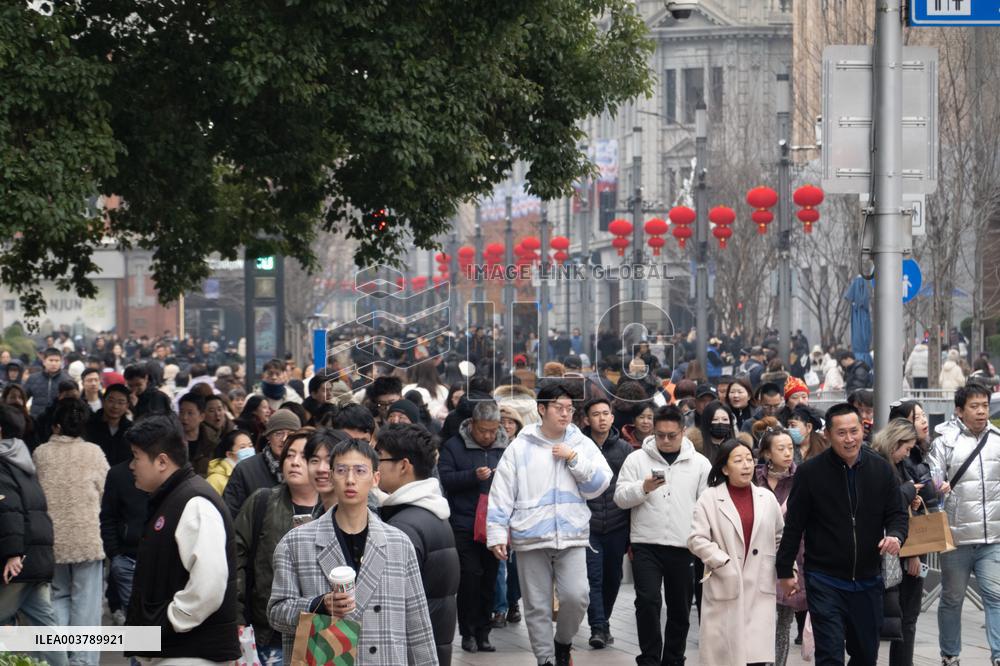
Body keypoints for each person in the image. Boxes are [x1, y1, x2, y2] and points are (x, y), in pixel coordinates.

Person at [267, 437, 439, 664]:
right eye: (341, 470)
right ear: (330, 476)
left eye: (360, 471)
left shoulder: (399, 543)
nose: (350, 480)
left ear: (375, 478)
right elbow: (276, 613)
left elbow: (418, 625)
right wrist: (317, 605)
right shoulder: (296, 542)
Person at [487, 383, 612, 666]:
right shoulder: (520, 447)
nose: (565, 414)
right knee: (537, 606)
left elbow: (600, 485)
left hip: (572, 534)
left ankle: (563, 642)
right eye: (559, 408)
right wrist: (497, 533)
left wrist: (574, 459)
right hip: (530, 535)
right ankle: (545, 658)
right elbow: (501, 492)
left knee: (577, 596)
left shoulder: (581, 443)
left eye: (569, 408)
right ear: (541, 409)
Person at [776, 403, 908, 665]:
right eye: (841, 433)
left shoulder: (880, 469)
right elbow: (794, 525)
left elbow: (897, 514)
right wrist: (784, 570)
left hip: (869, 579)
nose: (849, 439)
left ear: (863, 431)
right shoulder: (810, 473)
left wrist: (895, 535)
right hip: (825, 578)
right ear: (828, 435)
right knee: (830, 654)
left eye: (854, 431)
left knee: (865, 654)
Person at [124, 413, 241, 662]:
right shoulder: (173, 497)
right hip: (174, 650)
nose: (132, 466)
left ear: (162, 462)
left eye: (136, 457)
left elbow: (210, 584)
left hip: (190, 653)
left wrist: (171, 620)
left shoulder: (194, 503)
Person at [614, 404, 711, 666]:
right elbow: (620, 497)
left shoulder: (700, 463)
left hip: (684, 545)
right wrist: (643, 488)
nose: (666, 441)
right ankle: (648, 658)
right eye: (660, 435)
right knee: (647, 601)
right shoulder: (636, 459)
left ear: (683, 432)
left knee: (679, 608)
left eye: (672, 435)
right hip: (646, 543)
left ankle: (673, 659)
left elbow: (707, 504)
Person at [689, 438, 784, 666]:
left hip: (760, 585)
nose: (746, 465)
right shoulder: (709, 498)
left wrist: (783, 564)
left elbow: (780, 536)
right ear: (724, 467)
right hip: (725, 581)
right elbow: (696, 539)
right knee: (725, 656)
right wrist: (722, 561)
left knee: (757, 656)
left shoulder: (767, 498)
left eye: (749, 460)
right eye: (738, 460)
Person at [234, 428, 320, 665]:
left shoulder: (334, 510)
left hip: (321, 636)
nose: (294, 462)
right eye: (289, 455)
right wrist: (237, 614)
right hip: (266, 633)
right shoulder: (262, 501)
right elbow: (235, 559)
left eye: (304, 457)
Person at [32, 398, 108, 666]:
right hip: (87, 538)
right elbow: (104, 493)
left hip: (52, 541)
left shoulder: (40, 454)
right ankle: (83, 662)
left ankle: (57, 659)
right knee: (86, 605)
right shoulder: (94, 452)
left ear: (55, 425)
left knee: (57, 601)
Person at [928, 383, 1000, 666]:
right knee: (952, 598)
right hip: (955, 538)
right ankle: (950, 654)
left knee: (995, 596)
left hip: (992, 536)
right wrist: (937, 486)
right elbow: (932, 477)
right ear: (959, 410)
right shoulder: (944, 441)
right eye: (974, 406)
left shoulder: (997, 439)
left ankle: (997, 655)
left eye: (984, 405)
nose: (981, 411)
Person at [376, 424, 460, 666]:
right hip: (430, 647)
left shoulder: (404, 526)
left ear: (403, 465)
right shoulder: (431, 511)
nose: (375, 468)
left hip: (410, 652)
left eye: (379, 459)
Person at [438, 400, 509, 653]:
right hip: (464, 522)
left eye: (493, 430)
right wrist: (471, 476)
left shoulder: (506, 446)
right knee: (470, 577)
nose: (488, 436)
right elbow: (444, 478)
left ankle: (484, 632)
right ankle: (467, 632)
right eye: (483, 431)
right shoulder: (454, 446)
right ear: (473, 425)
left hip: (494, 523)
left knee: (490, 578)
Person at [0, 404, 66, 666]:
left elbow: (9, 509)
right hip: (36, 558)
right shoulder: (21, 459)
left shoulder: (2, 464)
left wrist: (13, 553)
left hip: (18, 561)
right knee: (45, 625)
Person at [871, 418, 936, 666]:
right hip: (889, 553)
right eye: (906, 448)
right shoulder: (879, 465)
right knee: (896, 618)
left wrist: (913, 498)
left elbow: (903, 506)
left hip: (899, 549)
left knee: (903, 619)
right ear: (894, 442)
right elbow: (886, 505)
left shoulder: (900, 466)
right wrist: (909, 492)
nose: (907, 454)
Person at [581, 397, 633, 649]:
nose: (601, 418)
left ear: (612, 418)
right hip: (587, 524)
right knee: (594, 576)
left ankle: (605, 620)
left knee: (613, 577)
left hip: (617, 523)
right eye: (595, 414)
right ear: (586, 419)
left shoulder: (624, 449)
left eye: (605, 413)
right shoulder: (578, 447)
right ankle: (598, 627)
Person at [753, 426, 806, 666]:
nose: (787, 453)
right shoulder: (752, 477)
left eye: (791, 448)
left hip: (792, 556)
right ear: (766, 453)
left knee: (783, 621)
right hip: (755, 556)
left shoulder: (803, 478)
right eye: (781, 448)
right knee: (756, 619)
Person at [222, 408, 301, 517]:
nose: (284, 439)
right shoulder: (245, 470)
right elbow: (230, 513)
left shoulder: (306, 468)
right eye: (278, 433)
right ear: (268, 436)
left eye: (291, 434)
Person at [100, 452, 149, 626]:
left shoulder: (165, 477)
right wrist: (115, 555)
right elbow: (108, 517)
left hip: (158, 558)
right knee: (136, 618)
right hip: (127, 558)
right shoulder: (118, 474)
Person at [85, 383, 134, 466]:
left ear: (127, 406)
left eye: (121, 402)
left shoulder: (131, 429)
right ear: (103, 401)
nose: (115, 406)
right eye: (111, 401)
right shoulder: (89, 425)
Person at [178, 393, 220, 477]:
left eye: (190, 413)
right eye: (181, 412)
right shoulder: (171, 440)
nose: (184, 417)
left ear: (202, 416)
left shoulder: (213, 441)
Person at [24, 347, 71, 419]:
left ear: (61, 362)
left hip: (58, 421)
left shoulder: (67, 380)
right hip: (36, 420)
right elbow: (23, 399)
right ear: (44, 361)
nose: (54, 363)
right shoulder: (33, 378)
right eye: (51, 360)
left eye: (57, 361)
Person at [206, 429, 256, 495]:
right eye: (242, 447)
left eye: (250, 446)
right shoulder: (215, 480)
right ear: (229, 454)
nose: (249, 450)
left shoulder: (255, 472)